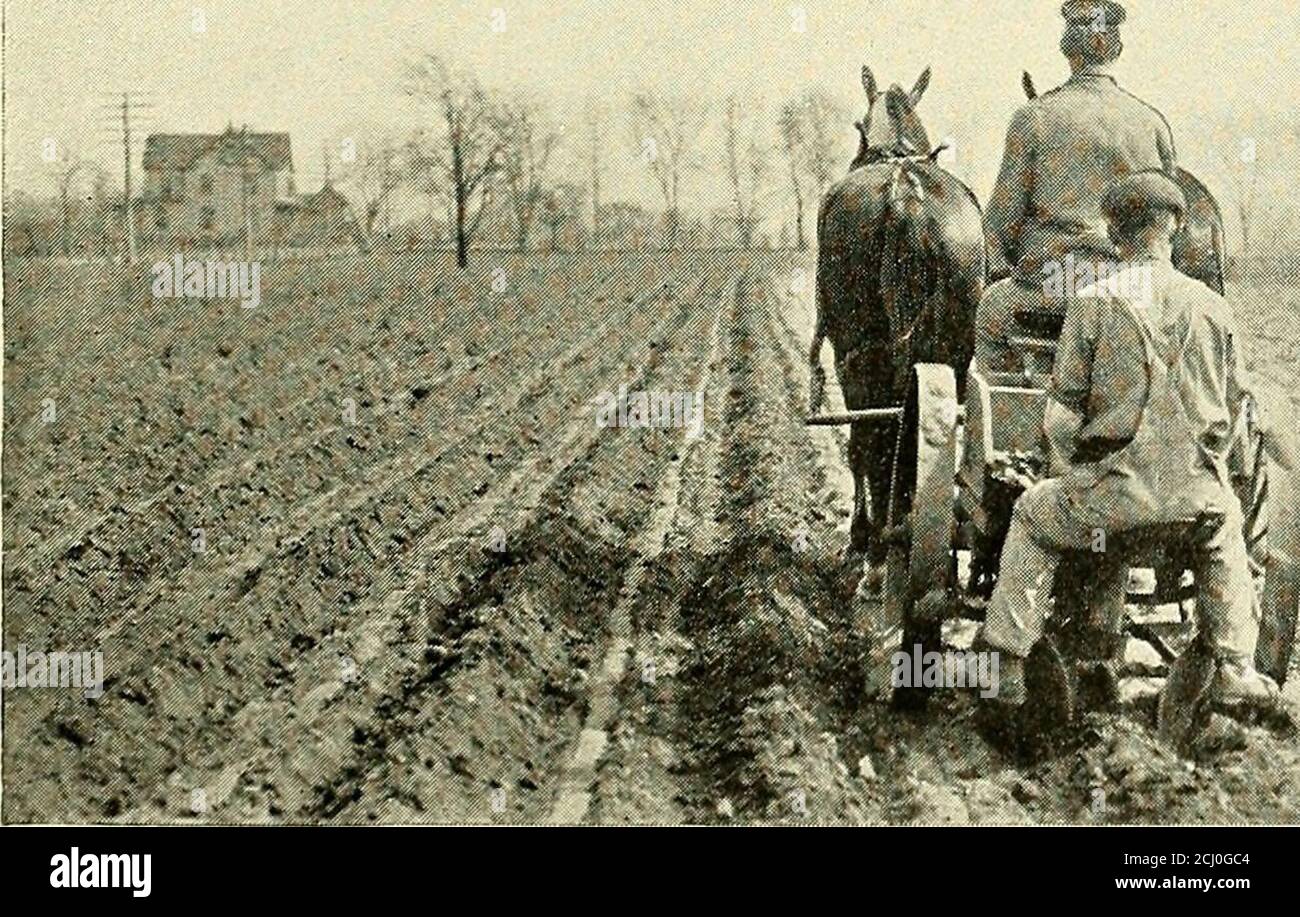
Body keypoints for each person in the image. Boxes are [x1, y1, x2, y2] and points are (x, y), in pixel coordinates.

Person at [978, 171, 1281, 727]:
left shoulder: (1095, 301)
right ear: (1174, 229)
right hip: (1196, 510)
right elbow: (1237, 413)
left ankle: (1006, 662)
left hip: (1111, 509)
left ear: (1114, 234)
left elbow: (1062, 417)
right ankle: (1236, 663)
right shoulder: (1213, 308)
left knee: (1031, 514)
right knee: (1228, 526)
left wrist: (1070, 477)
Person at [977, 0, 1178, 373]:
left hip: (1052, 288)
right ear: (1117, 48)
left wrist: (1007, 270)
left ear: (1066, 47)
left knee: (991, 309)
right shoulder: (1152, 124)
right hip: (1130, 290)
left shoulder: (1033, 117)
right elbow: (1169, 225)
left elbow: (999, 227)